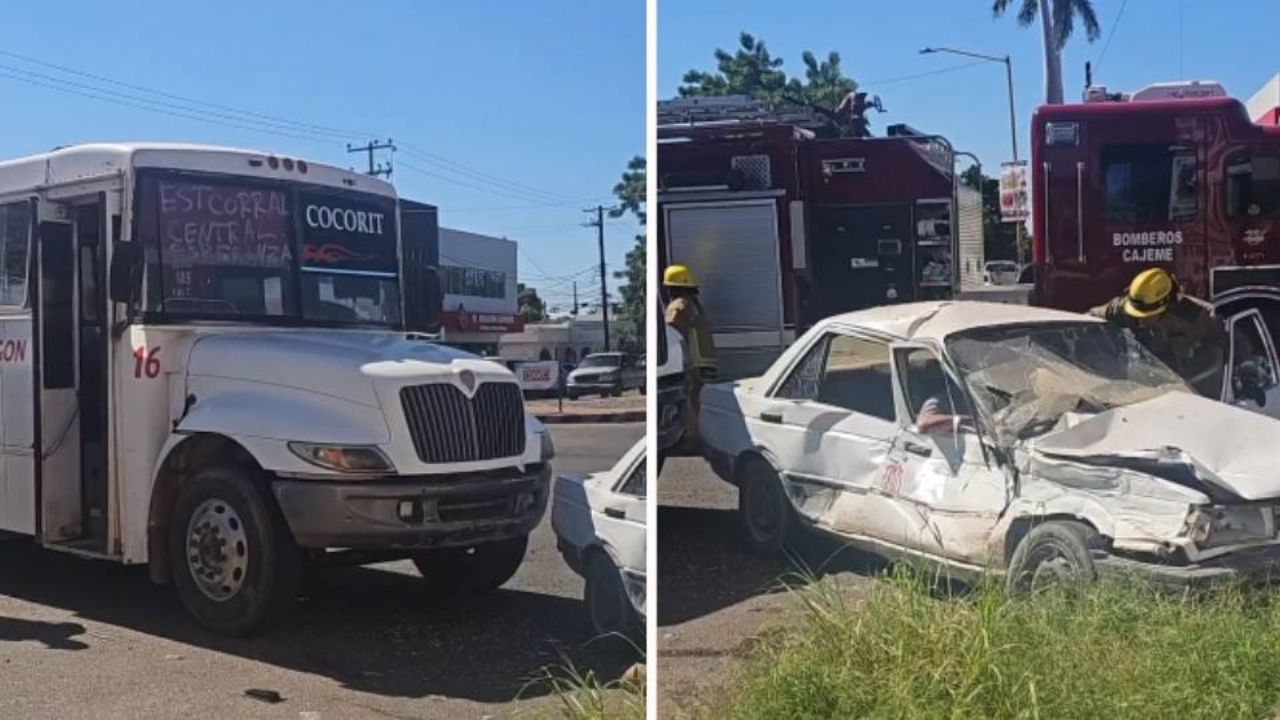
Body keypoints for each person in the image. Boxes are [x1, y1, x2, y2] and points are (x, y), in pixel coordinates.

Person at [1088, 268, 1228, 397]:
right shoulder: (1124, 308)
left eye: (1146, 315)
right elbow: (1088, 317)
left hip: (1189, 391)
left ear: (1167, 306)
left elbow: (1234, 344)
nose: (1140, 321)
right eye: (1136, 314)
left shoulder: (1198, 317)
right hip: (1141, 388)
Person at [663, 264, 718, 448]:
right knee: (700, 402)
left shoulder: (677, 307)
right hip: (706, 361)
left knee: (691, 402)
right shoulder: (694, 305)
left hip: (692, 362)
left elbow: (671, 332)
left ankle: (693, 440)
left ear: (673, 288)